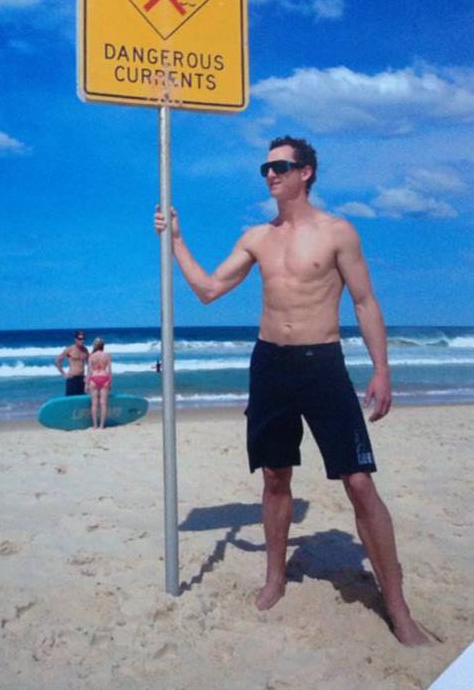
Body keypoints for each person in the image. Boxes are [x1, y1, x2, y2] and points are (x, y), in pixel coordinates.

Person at [154, 135, 428, 646]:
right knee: (275, 477)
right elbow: (209, 291)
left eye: (280, 166)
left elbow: (365, 302)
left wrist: (382, 369)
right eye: (265, 167)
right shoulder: (257, 237)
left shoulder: (337, 232)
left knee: (360, 482)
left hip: (322, 365)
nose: (270, 174)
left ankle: (397, 605)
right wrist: (175, 242)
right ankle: (275, 577)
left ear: (306, 173)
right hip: (270, 366)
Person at [86, 337, 113, 429]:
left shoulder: (91, 356)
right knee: (103, 403)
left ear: (95, 345)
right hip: (104, 377)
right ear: (103, 346)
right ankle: (101, 426)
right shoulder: (107, 355)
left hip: (94, 378)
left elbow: (89, 371)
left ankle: (94, 425)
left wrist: (86, 383)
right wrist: (110, 382)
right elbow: (109, 370)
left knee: (94, 403)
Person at [55, 330, 89, 395]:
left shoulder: (85, 350)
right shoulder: (70, 349)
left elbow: (89, 364)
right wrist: (63, 374)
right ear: (75, 339)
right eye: (80, 339)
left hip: (82, 378)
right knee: (70, 399)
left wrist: (88, 377)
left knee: (80, 400)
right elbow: (57, 361)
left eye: (83, 339)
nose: (82, 340)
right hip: (72, 378)